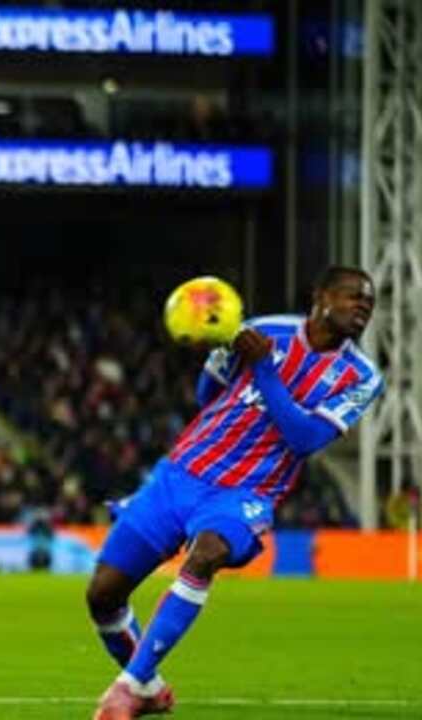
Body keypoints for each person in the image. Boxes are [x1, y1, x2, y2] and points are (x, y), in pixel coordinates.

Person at [87, 267, 382, 719]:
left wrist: (264, 371)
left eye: (368, 303)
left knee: (207, 552)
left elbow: (304, 438)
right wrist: (225, 352)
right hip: (182, 473)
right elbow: (208, 393)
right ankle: (147, 686)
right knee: (103, 594)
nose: (362, 307)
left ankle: (126, 688)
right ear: (320, 296)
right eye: (352, 297)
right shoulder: (263, 330)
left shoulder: (361, 376)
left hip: (247, 491)